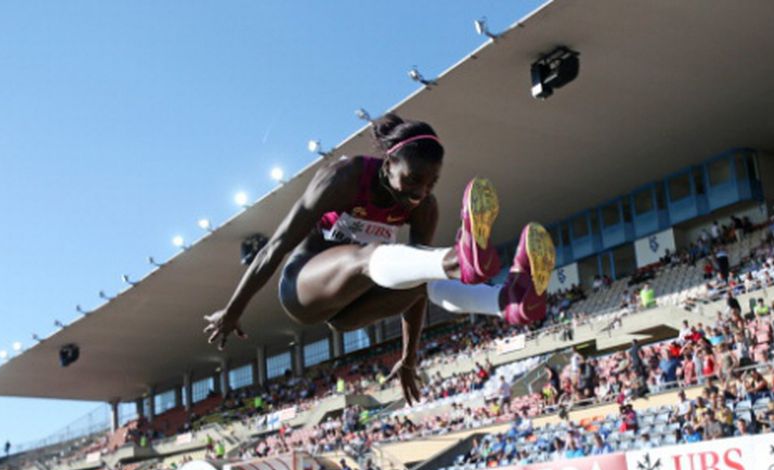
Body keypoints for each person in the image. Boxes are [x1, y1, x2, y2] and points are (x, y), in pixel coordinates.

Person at [205, 115, 555, 405]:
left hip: (350, 311)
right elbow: (276, 245)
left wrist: (409, 356)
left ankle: (506, 300)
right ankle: (456, 257)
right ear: (388, 164)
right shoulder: (345, 177)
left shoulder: (423, 208)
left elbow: (416, 285)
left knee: (421, 277)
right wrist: (234, 310)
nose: (420, 192)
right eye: (413, 179)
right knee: (371, 257)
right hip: (303, 288)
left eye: (432, 183)